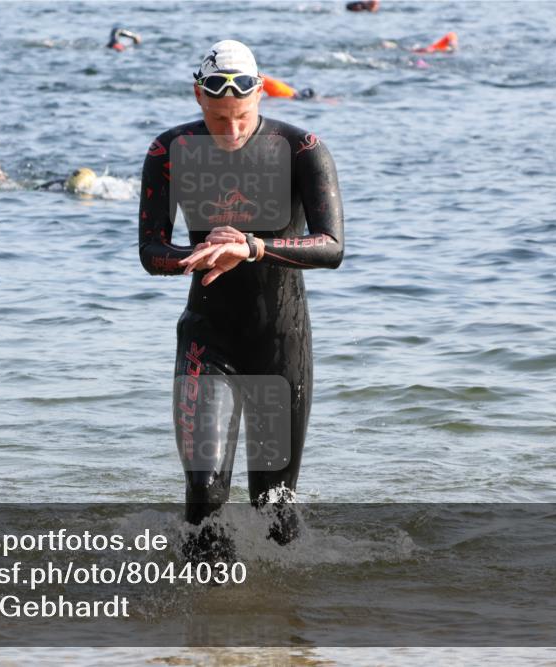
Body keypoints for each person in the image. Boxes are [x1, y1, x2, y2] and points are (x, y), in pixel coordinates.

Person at [138, 40, 344, 556]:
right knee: (204, 497)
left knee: (273, 508)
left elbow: (331, 247)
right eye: (218, 118)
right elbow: (151, 250)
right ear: (198, 97)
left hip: (280, 342)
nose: (230, 132)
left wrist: (252, 248)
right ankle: (204, 608)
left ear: (260, 97)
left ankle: (278, 608)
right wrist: (198, 255)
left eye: (242, 117)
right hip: (207, 341)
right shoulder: (170, 150)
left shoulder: (301, 149)